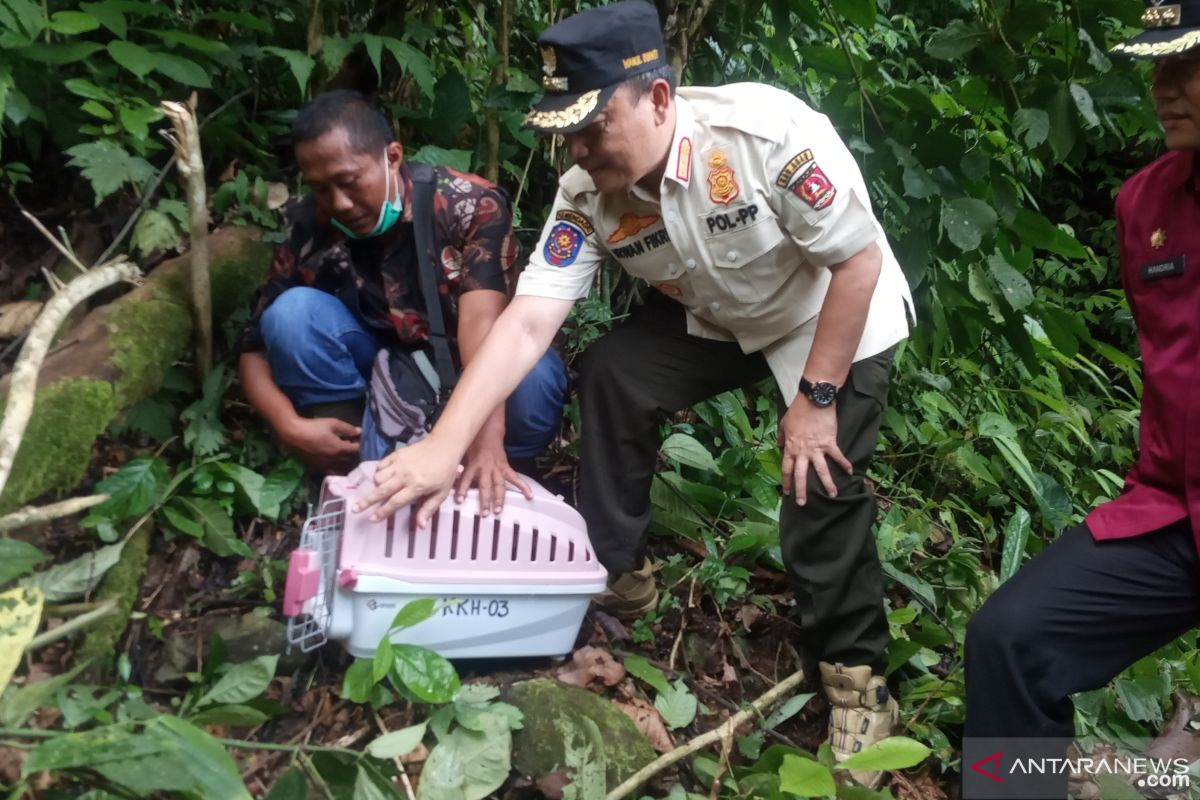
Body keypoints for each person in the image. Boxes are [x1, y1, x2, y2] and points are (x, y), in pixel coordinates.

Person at [353, 1, 913, 782]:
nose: (579, 149)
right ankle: (616, 571)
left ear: (656, 99)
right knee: (616, 372)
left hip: (830, 312)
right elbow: (524, 326)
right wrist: (443, 446)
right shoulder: (586, 191)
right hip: (719, 320)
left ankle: (857, 681)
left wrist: (815, 403)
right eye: (566, 132)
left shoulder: (764, 138)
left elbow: (857, 264)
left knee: (819, 480)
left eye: (594, 126)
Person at [963, 3, 1200, 797]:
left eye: (1187, 66)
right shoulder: (1147, 205)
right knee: (1008, 638)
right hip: (1174, 517)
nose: (1164, 88)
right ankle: (1011, 789)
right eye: (1158, 67)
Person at [237, 90, 567, 511]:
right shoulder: (308, 221)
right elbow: (253, 345)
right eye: (321, 188)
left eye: (351, 181)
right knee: (291, 315)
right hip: (379, 362)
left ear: (392, 157)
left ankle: (498, 472)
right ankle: (353, 456)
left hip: (469, 366)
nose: (339, 203)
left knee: (533, 372)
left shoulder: (469, 206)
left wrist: (485, 442)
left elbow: (483, 331)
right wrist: (288, 425)